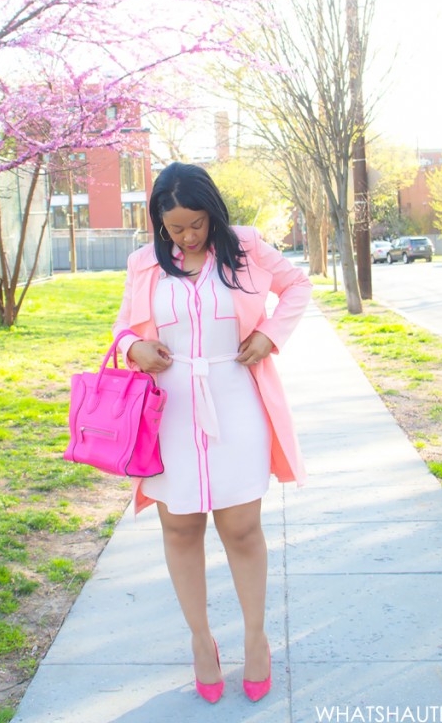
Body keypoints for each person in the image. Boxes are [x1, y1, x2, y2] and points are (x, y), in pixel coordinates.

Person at [113, 162, 311, 704]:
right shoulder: (143, 263)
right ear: (159, 223)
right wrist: (135, 348)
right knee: (179, 528)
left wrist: (270, 335)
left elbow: (297, 286)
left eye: (196, 224)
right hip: (169, 407)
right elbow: (123, 326)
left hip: (235, 396)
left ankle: (255, 639)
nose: (187, 236)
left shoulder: (245, 247)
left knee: (242, 527)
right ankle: (202, 642)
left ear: (213, 214)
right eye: (174, 228)